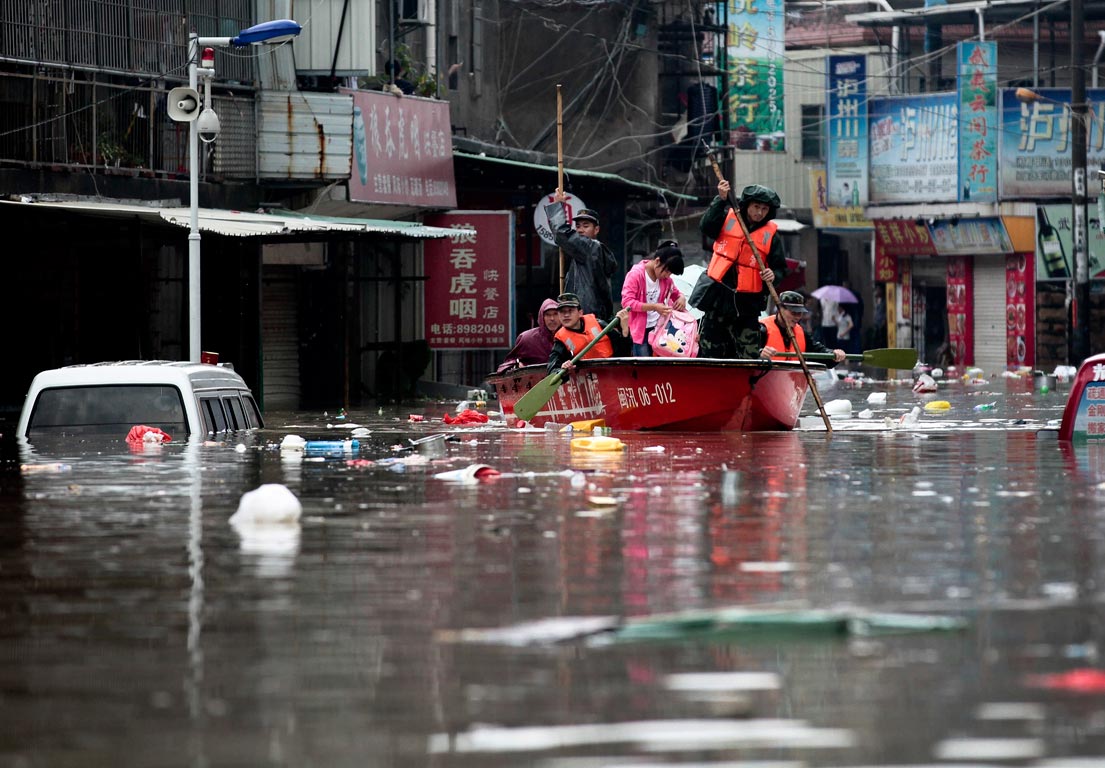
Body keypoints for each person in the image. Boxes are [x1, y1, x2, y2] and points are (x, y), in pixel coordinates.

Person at [694, 180, 788, 358]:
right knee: (711, 349)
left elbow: (780, 269)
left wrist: (772, 275)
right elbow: (706, 226)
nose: (759, 212)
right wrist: (720, 200)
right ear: (747, 205)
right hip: (719, 297)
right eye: (756, 206)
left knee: (749, 352)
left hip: (747, 303)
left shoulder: (772, 236)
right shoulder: (728, 218)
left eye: (764, 209)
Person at [544, 190, 617, 320]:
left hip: (585, 314)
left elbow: (561, 233)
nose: (580, 230)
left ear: (596, 230)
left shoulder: (590, 247)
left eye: (585, 226)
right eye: (577, 226)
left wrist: (557, 205)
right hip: (595, 314)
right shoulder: (594, 249)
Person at [620, 241, 687, 356]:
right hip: (641, 332)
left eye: (670, 273)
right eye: (666, 271)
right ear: (657, 261)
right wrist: (654, 307)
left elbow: (676, 293)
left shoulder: (667, 280)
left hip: (660, 330)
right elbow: (627, 302)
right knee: (645, 368)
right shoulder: (636, 275)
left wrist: (682, 298)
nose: (667, 275)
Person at [546, 293, 629, 376]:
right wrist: (562, 370)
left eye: (570, 310)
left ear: (580, 313)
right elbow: (552, 368)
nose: (566, 315)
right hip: (588, 377)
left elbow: (624, 351)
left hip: (612, 371)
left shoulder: (599, 324)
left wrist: (625, 330)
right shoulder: (560, 340)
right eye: (562, 312)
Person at [759, 290, 846, 365]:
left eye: (800, 313)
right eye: (793, 312)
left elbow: (819, 352)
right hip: (765, 380)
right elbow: (748, 354)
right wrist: (760, 354)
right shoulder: (762, 329)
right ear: (780, 309)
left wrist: (833, 354)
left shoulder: (802, 333)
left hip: (792, 382)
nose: (797, 317)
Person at [496, 298, 561, 372]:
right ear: (541, 317)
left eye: (555, 314)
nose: (552, 318)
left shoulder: (568, 336)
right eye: (548, 315)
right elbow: (508, 363)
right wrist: (517, 365)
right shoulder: (527, 339)